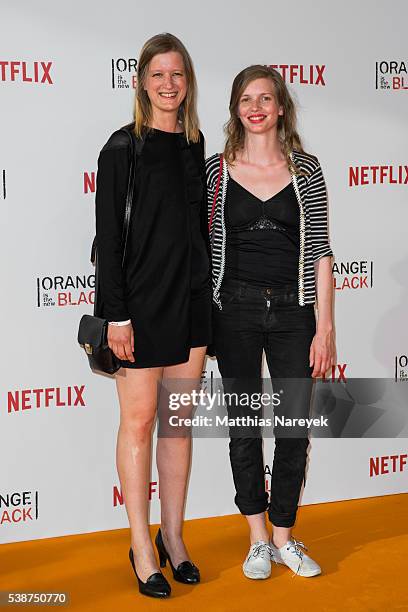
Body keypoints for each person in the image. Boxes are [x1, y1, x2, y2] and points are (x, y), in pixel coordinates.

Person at [206, 65, 335, 579]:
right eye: (245, 99)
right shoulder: (217, 172)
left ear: (281, 107)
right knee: (243, 429)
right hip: (232, 310)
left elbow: (322, 252)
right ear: (236, 109)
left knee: (293, 429)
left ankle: (284, 535)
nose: (256, 107)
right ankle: (257, 538)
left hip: (293, 311)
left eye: (265, 98)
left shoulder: (307, 170)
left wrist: (325, 328)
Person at [95, 33, 211, 598]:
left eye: (178, 75)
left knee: (179, 427)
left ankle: (173, 537)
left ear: (188, 84)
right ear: (141, 82)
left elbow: (199, 234)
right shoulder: (122, 149)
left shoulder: (195, 146)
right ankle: (142, 547)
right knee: (139, 423)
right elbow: (108, 239)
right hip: (139, 311)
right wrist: (116, 316)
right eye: (158, 74)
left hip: (190, 308)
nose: (169, 85)